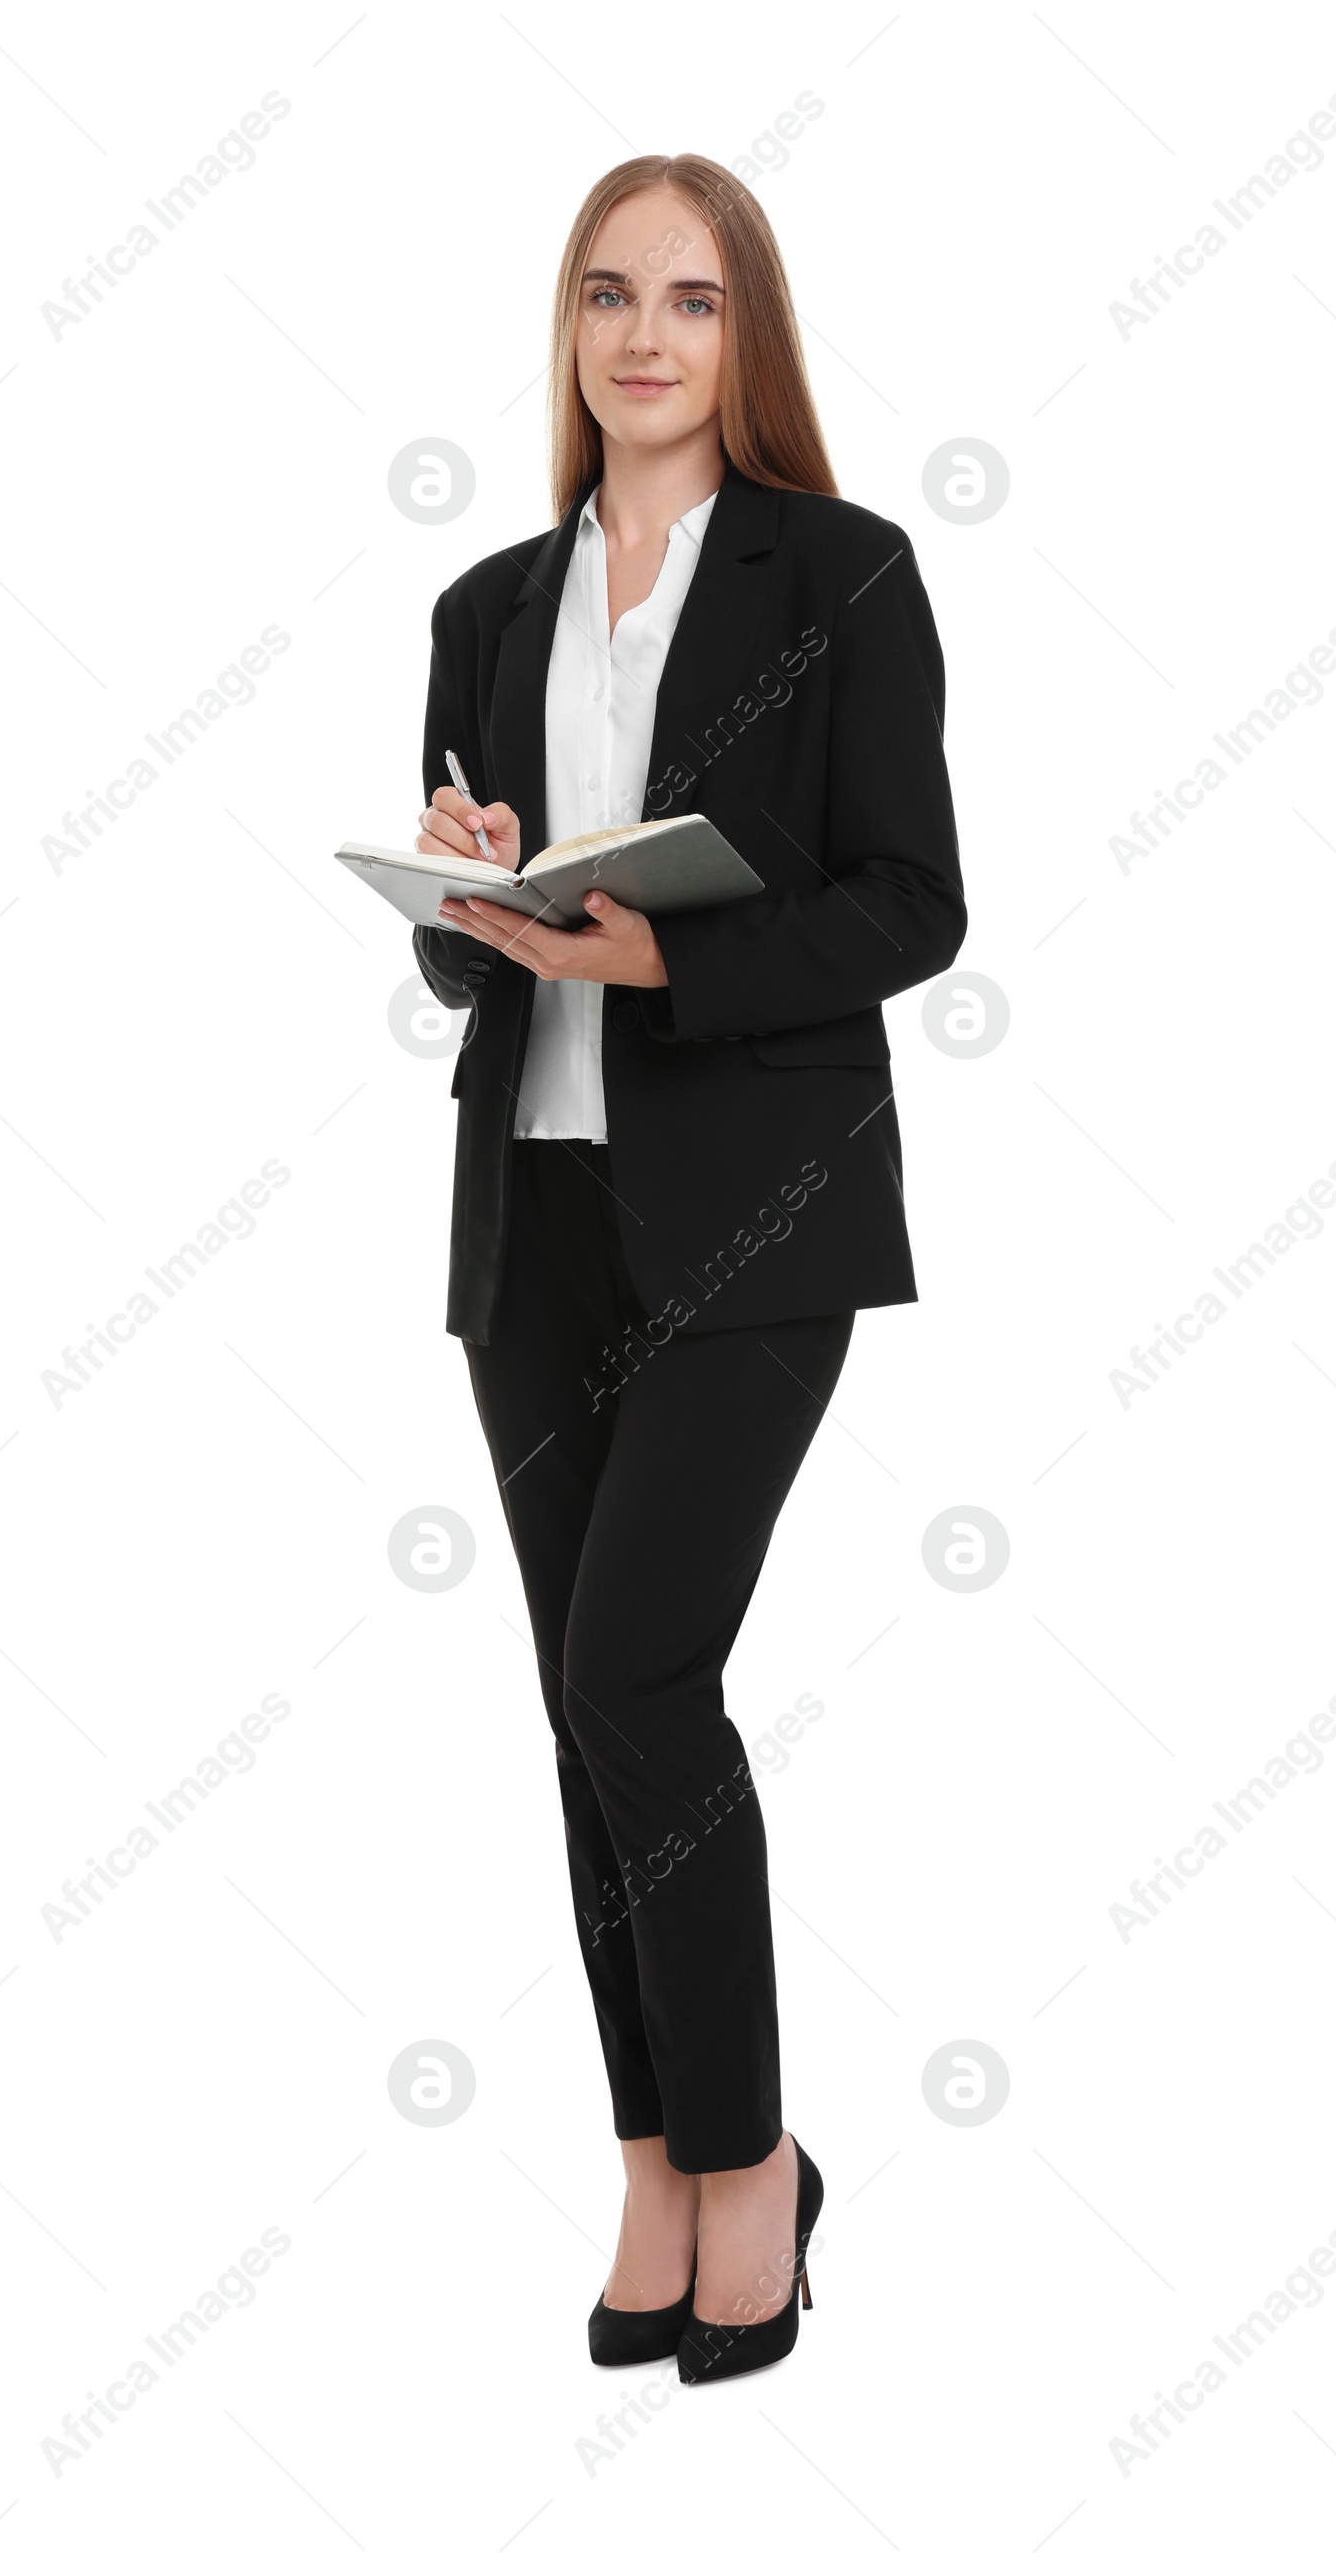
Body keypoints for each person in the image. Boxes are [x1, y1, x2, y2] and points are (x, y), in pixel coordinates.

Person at [410, 151, 965, 2383]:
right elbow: (483, 981)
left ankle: (752, 2170)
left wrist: (669, 955)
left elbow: (909, 902)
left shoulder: (842, 576)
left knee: (641, 1679)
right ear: (567, 330)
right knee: (579, 1712)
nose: (644, 336)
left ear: (748, 339)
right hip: (530, 1212)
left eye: (692, 302)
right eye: (609, 296)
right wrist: (475, 908)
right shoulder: (482, 607)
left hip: (751, 1214)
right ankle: (651, 2155)